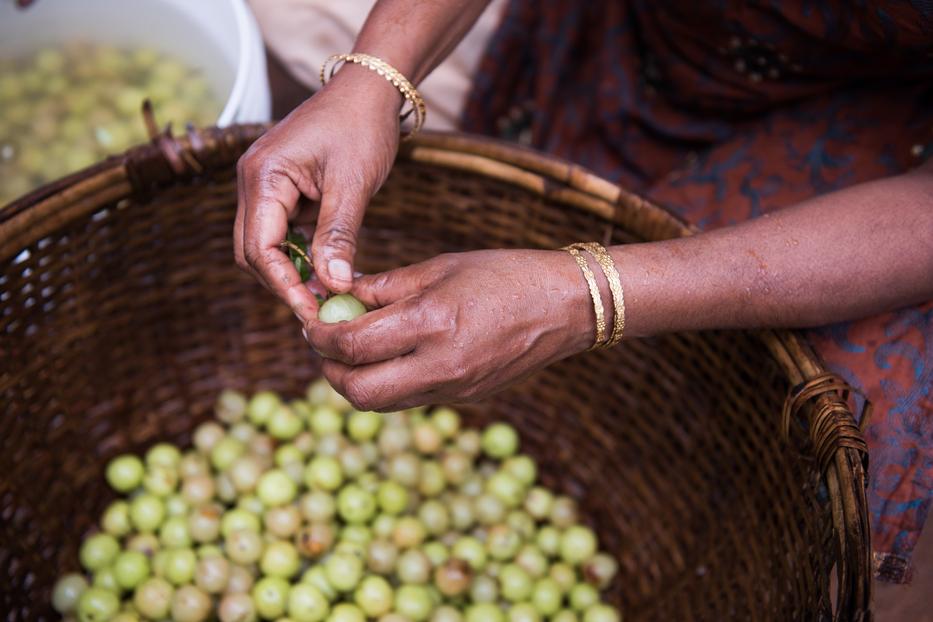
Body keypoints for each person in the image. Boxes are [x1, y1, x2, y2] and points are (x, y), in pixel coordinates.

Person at [236, 1, 933, 585]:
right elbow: (373, 75)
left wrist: (585, 297)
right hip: (646, 41)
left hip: (883, 164)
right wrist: (370, 81)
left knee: (806, 443)